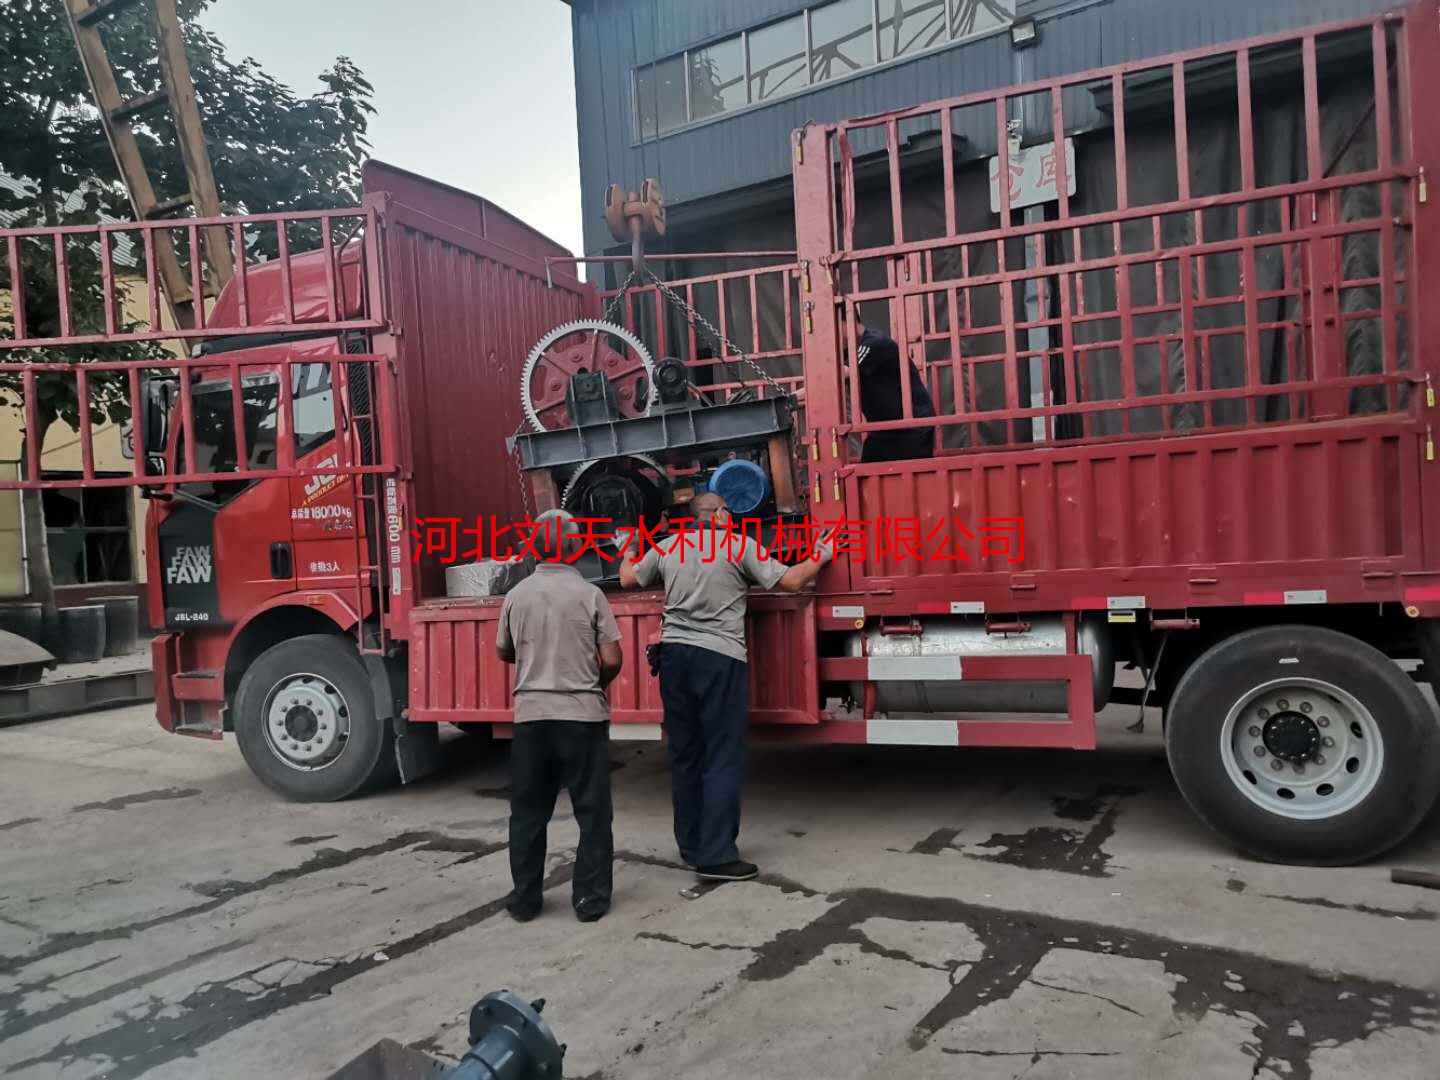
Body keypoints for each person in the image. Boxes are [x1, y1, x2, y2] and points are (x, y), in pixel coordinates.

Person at [618, 493, 833, 881]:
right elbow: (791, 581)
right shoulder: (738, 545)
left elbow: (627, 578)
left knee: (685, 754)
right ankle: (716, 856)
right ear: (718, 514)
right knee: (722, 754)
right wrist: (820, 554)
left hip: (673, 657)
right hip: (718, 657)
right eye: (728, 511)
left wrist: (630, 549)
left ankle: (691, 845)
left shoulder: (668, 546)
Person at [496, 508, 623, 922]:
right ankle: (590, 900)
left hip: (532, 718)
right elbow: (612, 658)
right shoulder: (590, 594)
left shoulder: (517, 596)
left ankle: (525, 901)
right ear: (573, 546)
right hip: (582, 716)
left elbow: (504, 650)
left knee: (528, 813)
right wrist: (593, 682)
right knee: (592, 812)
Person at [855, 322, 937, 463]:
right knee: (868, 473)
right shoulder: (857, 347)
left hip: (911, 427)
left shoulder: (874, 342)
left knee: (908, 475)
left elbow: (844, 372)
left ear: (845, 322)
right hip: (885, 430)